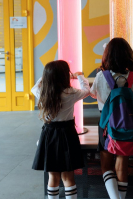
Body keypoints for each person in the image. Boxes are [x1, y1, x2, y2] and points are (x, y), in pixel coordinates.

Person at [90, 38, 133, 199]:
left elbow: (94, 94)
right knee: (122, 161)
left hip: (106, 124)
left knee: (106, 165)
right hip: (128, 123)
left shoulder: (101, 76)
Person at [31, 60, 90, 199]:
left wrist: (44, 78)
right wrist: (80, 76)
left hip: (49, 134)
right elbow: (87, 91)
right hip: (67, 134)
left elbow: (34, 87)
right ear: (65, 75)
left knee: (53, 176)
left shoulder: (43, 93)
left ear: (47, 77)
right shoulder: (71, 93)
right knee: (68, 175)